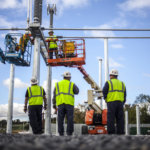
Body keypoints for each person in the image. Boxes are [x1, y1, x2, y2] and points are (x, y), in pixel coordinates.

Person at [52, 71, 79, 136]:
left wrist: (54, 104)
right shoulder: (71, 84)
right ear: (69, 77)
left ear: (63, 77)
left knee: (60, 119)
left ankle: (61, 133)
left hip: (60, 104)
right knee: (70, 119)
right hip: (69, 104)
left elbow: (54, 95)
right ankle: (69, 133)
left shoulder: (58, 84)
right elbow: (77, 91)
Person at [102, 69, 126, 134]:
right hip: (120, 103)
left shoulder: (108, 82)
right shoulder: (122, 83)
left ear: (111, 75)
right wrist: (122, 102)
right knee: (120, 118)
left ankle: (111, 132)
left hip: (111, 103)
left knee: (111, 118)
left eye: (110, 75)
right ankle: (120, 132)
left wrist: (106, 100)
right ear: (117, 75)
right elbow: (124, 94)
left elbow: (104, 92)